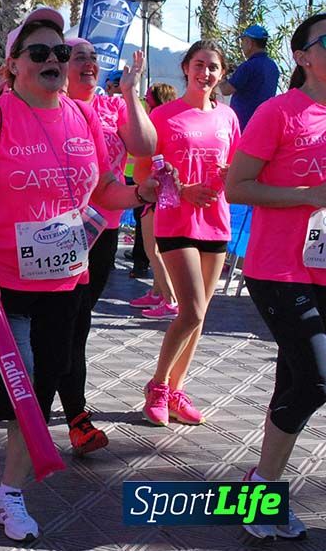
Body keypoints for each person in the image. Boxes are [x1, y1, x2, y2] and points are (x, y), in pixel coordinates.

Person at [0, 7, 158, 542]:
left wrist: (141, 193)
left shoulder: (83, 116)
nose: (53, 61)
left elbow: (103, 191)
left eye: (60, 52)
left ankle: (9, 494)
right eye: (39, 52)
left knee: (39, 390)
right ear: (13, 65)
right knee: (14, 392)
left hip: (63, 281)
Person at [224, 12, 326, 541]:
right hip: (281, 268)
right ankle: (259, 487)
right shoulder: (279, 112)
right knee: (317, 379)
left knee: (295, 381)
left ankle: (263, 493)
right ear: (302, 57)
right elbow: (237, 186)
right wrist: (308, 195)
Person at [56, 38, 157, 456]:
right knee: (58, 321)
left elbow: (145, 146)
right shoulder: (47, 107)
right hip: (52, 229)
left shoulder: (111, 106)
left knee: (77, 321)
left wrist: (131, 93)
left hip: (101, 229)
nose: (89, 64)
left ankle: (73, 414)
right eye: (78, 57)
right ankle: (59, 408)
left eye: (94, 58)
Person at [142, 40, 240, 426]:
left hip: (215, 220)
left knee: (199, 315)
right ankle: (157, 386)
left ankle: (176, 389)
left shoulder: (228, 117)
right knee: (192, 310)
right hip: (176, 220)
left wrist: (233, 174)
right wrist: (181, 190)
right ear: (186, 68)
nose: (206, 73)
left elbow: (239, 164)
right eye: (199, 64)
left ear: (222, 74)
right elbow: (147, 170)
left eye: (213, 67)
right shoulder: (164, 115)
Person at [130, 83, 180, 318]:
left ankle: (170, 299)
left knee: (153, 250)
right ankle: (157, 292)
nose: (145, 100)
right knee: (156, 248)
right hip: (162, 194)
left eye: (148, 98)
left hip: (156, 195)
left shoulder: (156, 124)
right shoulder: (171, 122)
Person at [220, 24, 281, 130]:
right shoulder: (273, 66)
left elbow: (226, 90)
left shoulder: (248, 66)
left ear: (249, 43)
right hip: (264, 124)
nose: (242, 45)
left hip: (244, 125)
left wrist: (221, 75)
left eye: (243, 41)